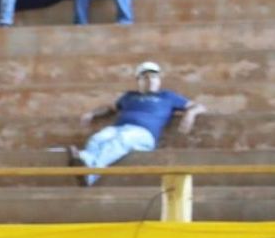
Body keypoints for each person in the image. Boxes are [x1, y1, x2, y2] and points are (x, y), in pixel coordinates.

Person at [70, 62, 207, 186]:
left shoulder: (167, 96)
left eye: (154, 77)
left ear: (159, 80)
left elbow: (199, 106)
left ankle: (89, 173)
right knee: (97, 139)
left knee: (121, 141)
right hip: (119, 129)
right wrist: (92, 113)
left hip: (143, 135)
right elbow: (110, 108)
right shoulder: (129, 96)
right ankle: (84, 165)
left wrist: (190, 114)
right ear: (139, 80)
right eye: (145, 77)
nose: (150, 80)